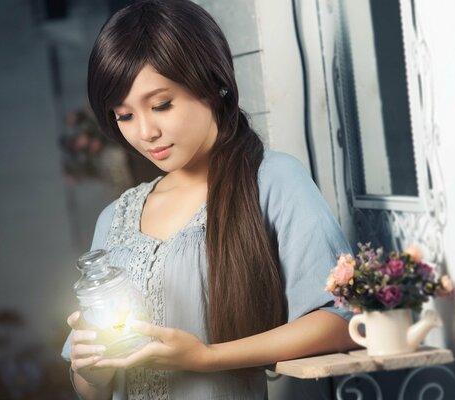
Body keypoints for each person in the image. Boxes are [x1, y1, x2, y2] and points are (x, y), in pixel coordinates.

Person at [61, 0, 357, 398]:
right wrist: (90, 370)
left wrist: (207, 357)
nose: (145, 131)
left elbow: (343, 321)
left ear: (212, 83)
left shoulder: (272, 181)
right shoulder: (113, 218)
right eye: (124, 115)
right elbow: (92, 391)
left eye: (161, 104)